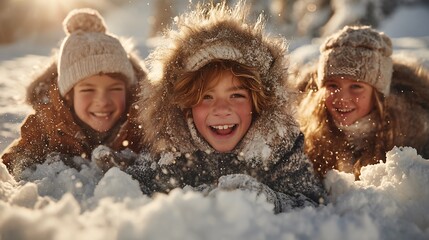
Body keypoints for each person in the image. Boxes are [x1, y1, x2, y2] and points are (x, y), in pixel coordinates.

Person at [121, 1, 326, 214]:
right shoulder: (170, 151)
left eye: (236, 95)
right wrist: (198, 197)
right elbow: (132, 192)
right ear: (184, 107)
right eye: (206, 97)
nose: (221, 109)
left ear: (259, 104)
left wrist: (268, 199)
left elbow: (311, 201)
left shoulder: (278, 149)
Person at [1, 8, 147, 178]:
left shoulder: (143, 124)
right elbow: (11, 165)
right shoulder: (48, 123)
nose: (102, 100)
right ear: (68, 96)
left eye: (115, 89)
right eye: (88, 90)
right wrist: (27, 168)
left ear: (127, 91)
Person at [295, 25, 429, 180]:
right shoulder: (307, 131)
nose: (342, 98)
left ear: (378, 93)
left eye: (356, 86)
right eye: (333, 85)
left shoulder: (414, 133)